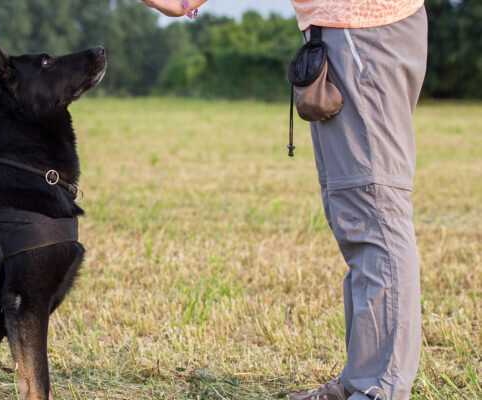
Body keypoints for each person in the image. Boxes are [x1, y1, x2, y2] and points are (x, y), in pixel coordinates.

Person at [141, 1, 428, 400]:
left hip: (363, 32)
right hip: (347, 32)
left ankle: (382, 388)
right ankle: (362, 379)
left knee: (374, 209)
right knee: (355, 213)